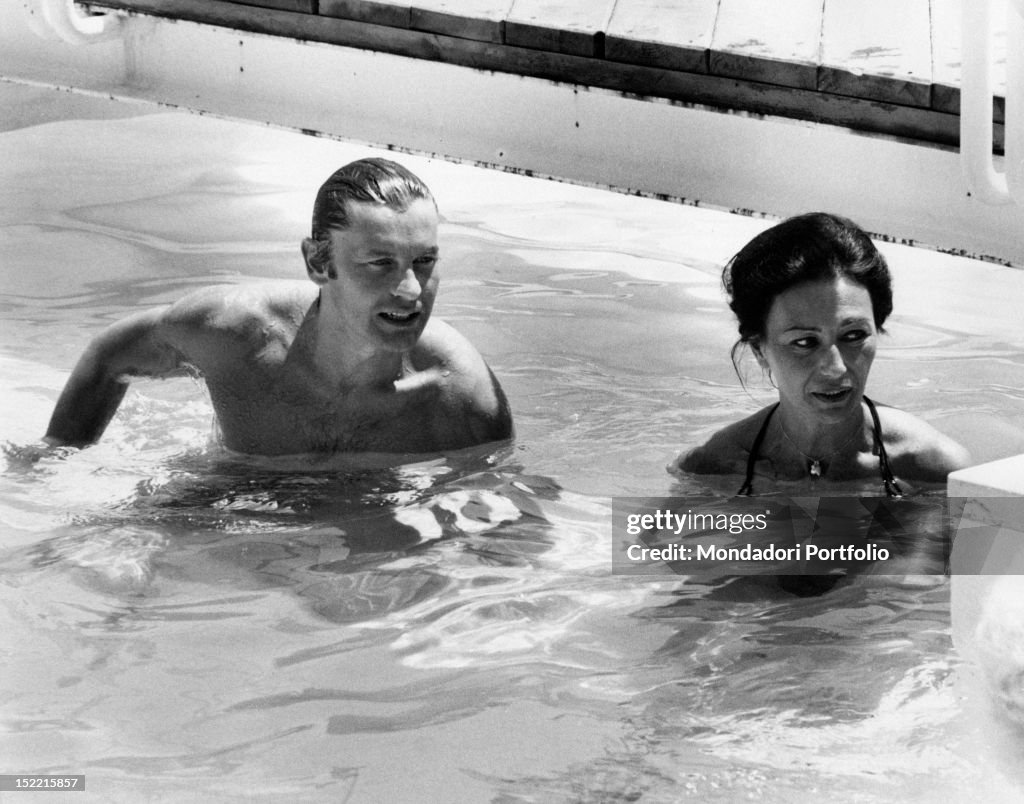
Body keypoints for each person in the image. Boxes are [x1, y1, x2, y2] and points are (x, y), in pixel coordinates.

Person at [43, 158, 513, 456]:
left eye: (425, 261)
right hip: (223, 501)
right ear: (317, 262)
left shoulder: (459, 399)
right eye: (380, 263)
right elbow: (111, 354)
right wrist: (57, 460)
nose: (411, 289)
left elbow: (501, 535)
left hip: (356, 525)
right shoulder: (237, 331)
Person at [672, 212, 970, 496]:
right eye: (804, 343)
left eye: (854, 336)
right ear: (759, 349)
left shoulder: (942, 470)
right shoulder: (713, 466)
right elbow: (651, 548)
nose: (836, 368)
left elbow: (993, 551)